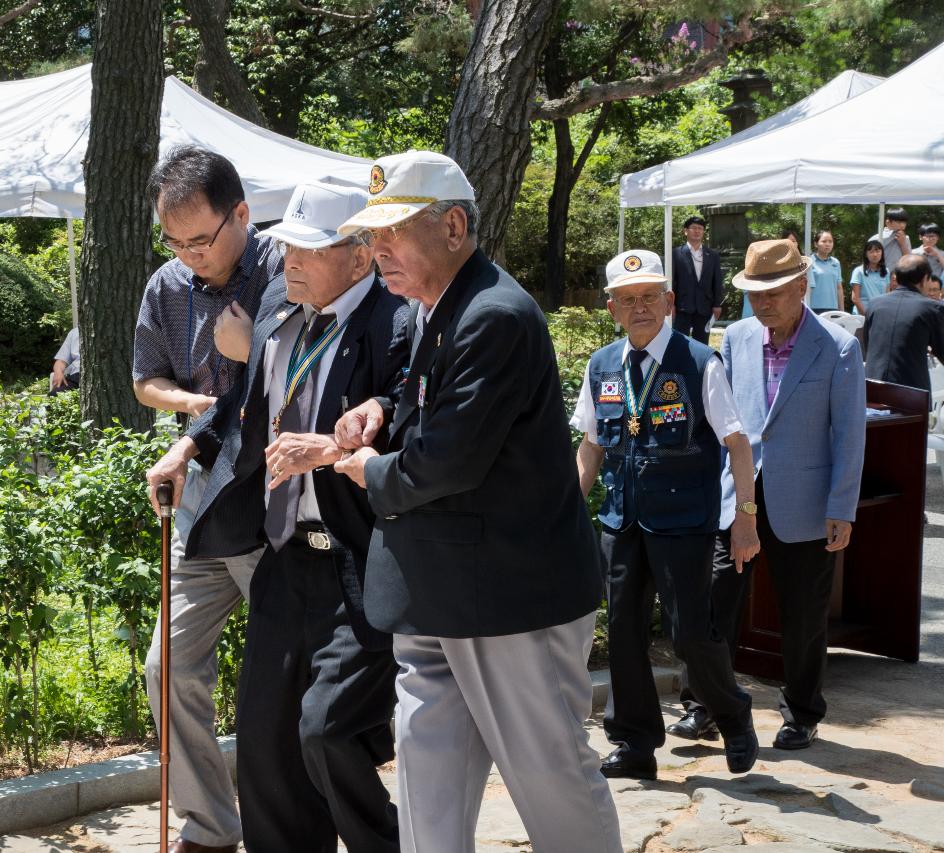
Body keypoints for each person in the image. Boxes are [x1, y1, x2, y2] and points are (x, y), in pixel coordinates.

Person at [331, 150, 622, 853]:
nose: (376, 251)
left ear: (453, 226)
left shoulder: (492, 313)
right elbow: (430, 410)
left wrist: (371, 469)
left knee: (549, 777)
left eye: (392, 233)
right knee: (429, 781)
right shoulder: (440, 305)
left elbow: (449, 459)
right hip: (444, 589)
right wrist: (379, 408)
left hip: (508, 600)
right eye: (371, 237)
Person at [148, 181, 407, 853]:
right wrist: (189, 444)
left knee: (326, 730)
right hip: (284, 557)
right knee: (263, 745)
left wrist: (349, 438)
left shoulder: (395, 322)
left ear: (358, 256)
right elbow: (244, 404)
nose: (289, 262)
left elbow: (414, 416)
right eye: (287, 246)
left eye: (310, 250)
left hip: (359, 560)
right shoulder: (279, 316)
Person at [131, 145, 283, 853]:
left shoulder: (287, 266)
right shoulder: (166, 286)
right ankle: (210, 826)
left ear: (241, 215)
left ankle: (297, 821)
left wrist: (252, 352)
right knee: (168, 666)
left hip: (275, 510)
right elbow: (145, 380)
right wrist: (192, 404)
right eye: (175, 240)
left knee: (288, 680)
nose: (189, 254)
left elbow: (311, 379)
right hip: (200, 503)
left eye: (202, 238)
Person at [570, 249, 759, 781]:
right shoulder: (602, 365)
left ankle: (732, 714)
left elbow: (738, 445)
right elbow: (590, 446)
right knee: (625, 631)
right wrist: (564, 511)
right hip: (622, 522)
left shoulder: (700, 362)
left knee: (690, 632)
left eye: (650, 297)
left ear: (670, 302)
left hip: (684, 522)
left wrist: (745, 517)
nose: (641, 308)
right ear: (612, 309)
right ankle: (634, 743)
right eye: (629, 300)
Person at [676, 239, 865, 751]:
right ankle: (705, 705)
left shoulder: (838, 346)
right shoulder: (735, 337)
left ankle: (802, 712)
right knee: (716, 604)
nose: (763, 304)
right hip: (737, 498)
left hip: (804, 503)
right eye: (755, 294)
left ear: (802, 287)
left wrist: (841, 508)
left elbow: (850, 434)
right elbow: (722, 424)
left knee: (803, 615)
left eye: (773, 293)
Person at [863, 254, 944, 392]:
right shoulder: (931, 308)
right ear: (925, 279)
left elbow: (868, 343)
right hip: (910, 394)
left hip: (871, 389)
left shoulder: (875, 304)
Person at [671, 215, 723, 344]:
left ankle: (700, 364)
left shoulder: (712, 255)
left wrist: (717, 304)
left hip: (704, 306)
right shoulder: (676, 253)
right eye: (693, 228)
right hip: (681, 306)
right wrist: (670, 304)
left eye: (700, 228)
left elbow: (717, 281)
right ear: (686, 231)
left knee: (702, 342)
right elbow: (672, 280)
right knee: (679, 341)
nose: (697, 231)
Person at [850, 239, 890, 315]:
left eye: (878, 251)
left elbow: (887, 295)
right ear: (866, 254)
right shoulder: (858, 271)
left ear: (882, 253)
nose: (875, 254)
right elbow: (855, 298)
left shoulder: (886, 271)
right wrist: (865, 315)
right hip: (862, 315)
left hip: (879, 313)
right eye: (871, 252)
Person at [806, 230, 843, 311]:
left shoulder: (835, 262)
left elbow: (839, 288)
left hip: (833, 308)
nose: (827, 244)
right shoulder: (809, 261)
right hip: (814, 308)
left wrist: (842, 310)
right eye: (824, 241)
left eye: (830, 241)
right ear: (816, 244)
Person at [871, 208, 912, 273]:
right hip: (880, 275)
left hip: (898, 277)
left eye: (904, 222)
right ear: (888, 222)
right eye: (899, 222)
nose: (902, 225)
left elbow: (909, 260)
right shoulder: (877, 238)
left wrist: (903, 244)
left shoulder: (906, 238)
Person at [50, 326, 80, 393]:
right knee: (54, 395)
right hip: (77, 377)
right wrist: (58, 372)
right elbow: (61, 361)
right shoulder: (75, 332)